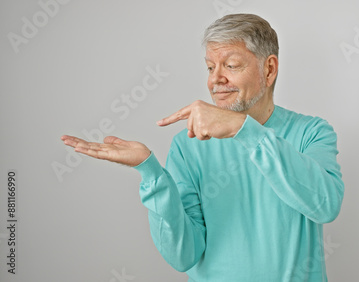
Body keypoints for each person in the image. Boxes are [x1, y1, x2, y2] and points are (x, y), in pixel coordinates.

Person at [61, 13, 344, 281]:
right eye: (210, 67)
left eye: (231, 66)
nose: (215, 79)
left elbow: (325, 205)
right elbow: (183, 255)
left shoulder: (311, 132)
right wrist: (151, 174)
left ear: (268, 70)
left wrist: (241, 129)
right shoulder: (188, 145)